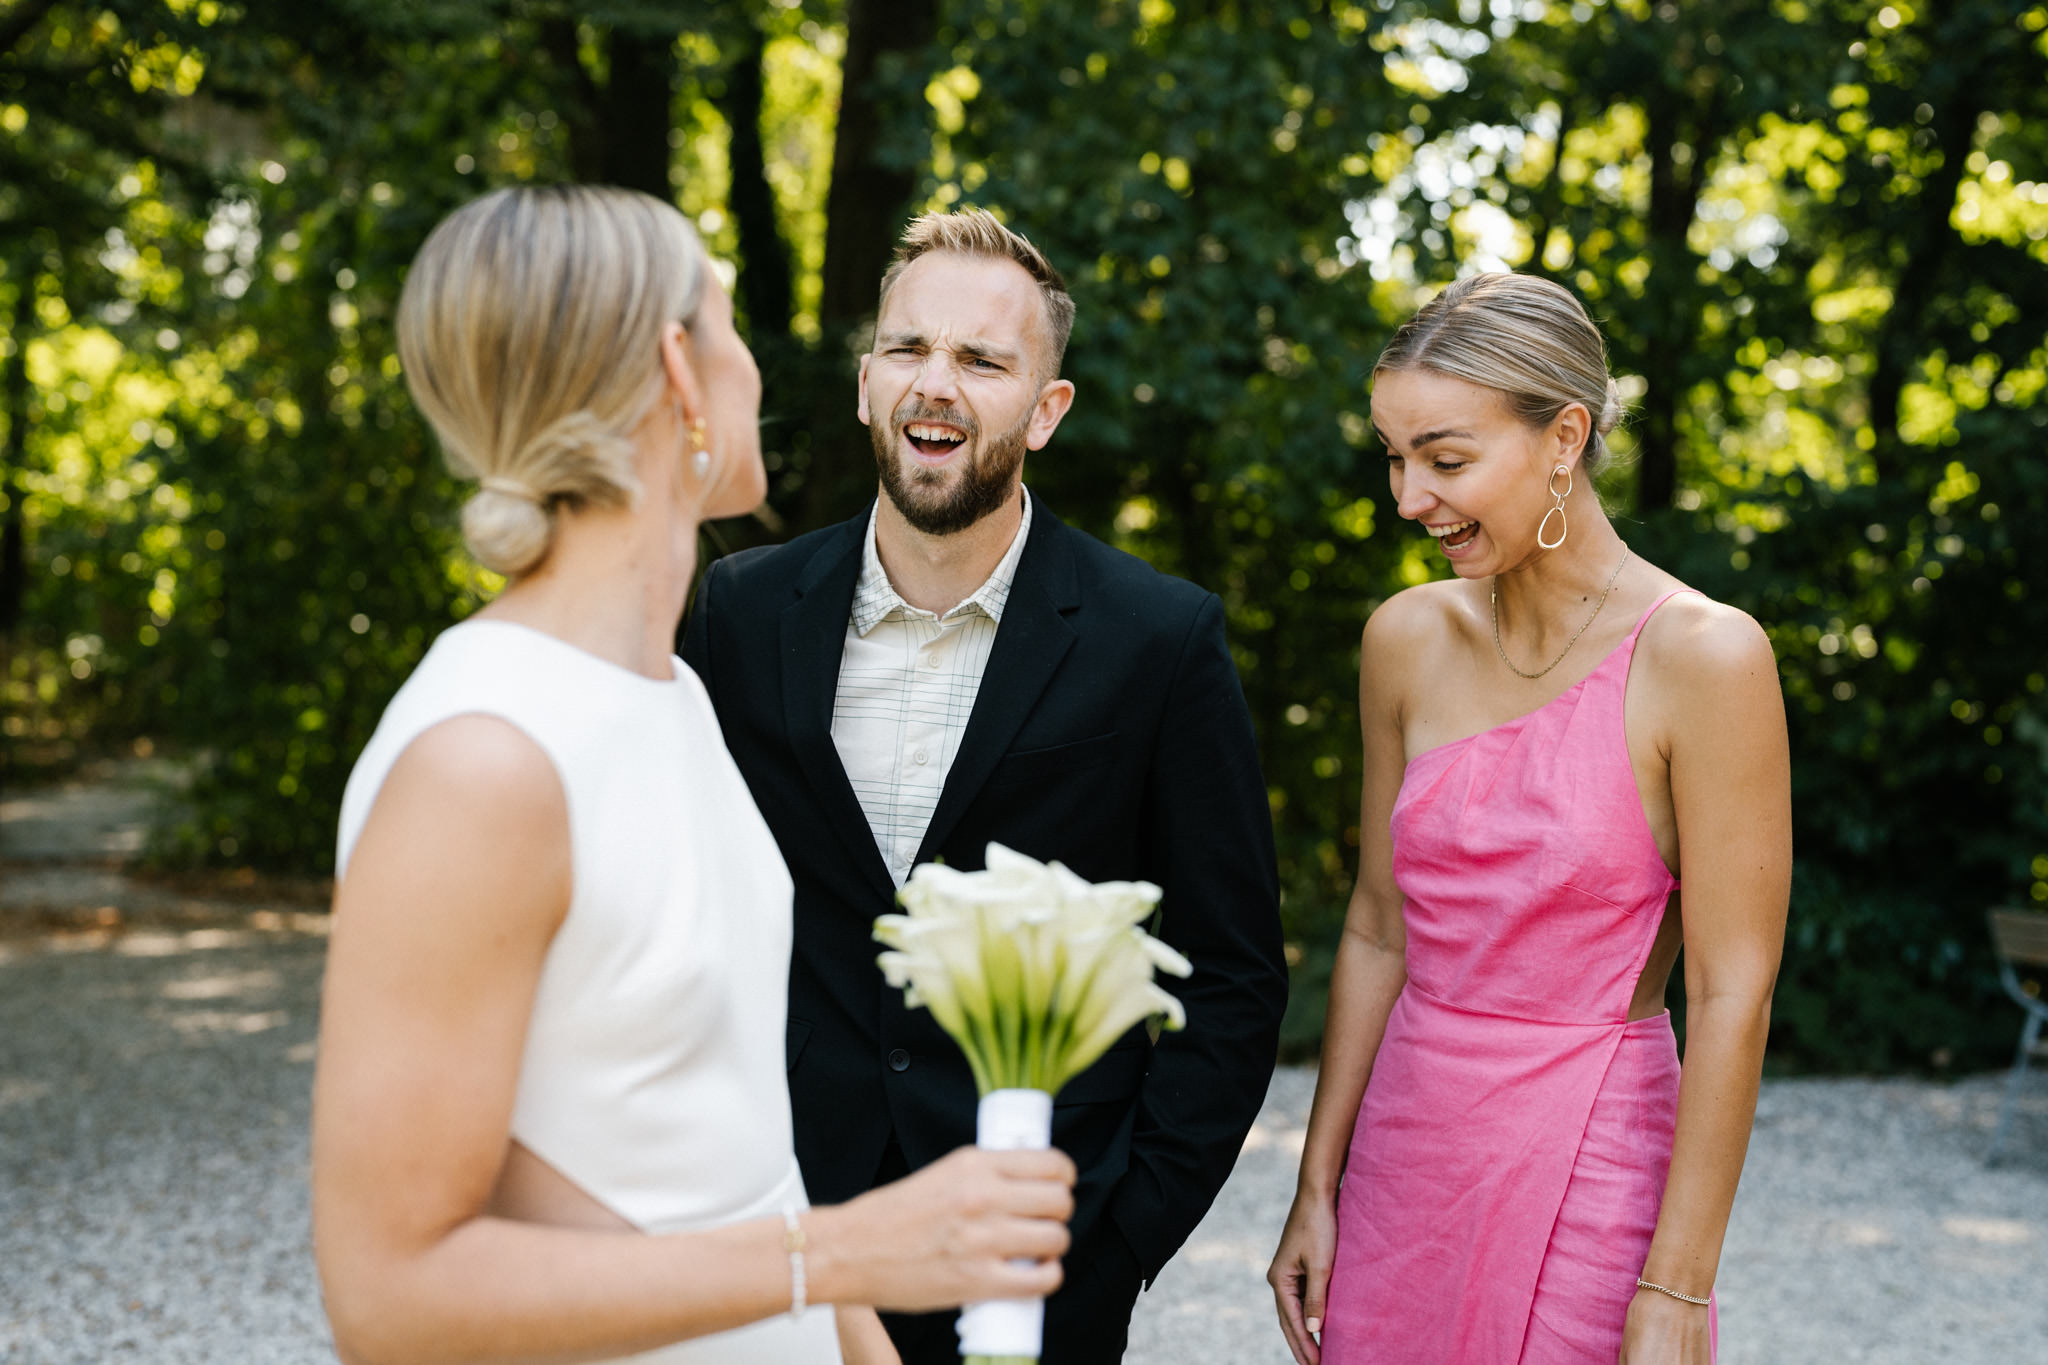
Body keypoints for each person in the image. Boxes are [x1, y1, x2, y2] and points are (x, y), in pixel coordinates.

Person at [311, 185, 1078, 1365]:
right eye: (727, 325)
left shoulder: (672, 700)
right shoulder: (481, 761)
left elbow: (743, 1164)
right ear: (679, 370)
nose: (755, 367)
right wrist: (849, 1250)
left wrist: (851, 1316)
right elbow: (389, 1296)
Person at [682, 207, 1289, 1365]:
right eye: (908, 350)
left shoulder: (1156, 640)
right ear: (865, 384)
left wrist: (1117, 1235)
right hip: (778, 1227)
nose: (935, 385)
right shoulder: (741, 611)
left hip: (1032, 1251)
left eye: (981, 360)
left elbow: (1233, 974)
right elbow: (690, 908)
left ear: (1044, 410)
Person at [1266, 272, 1789, 1365]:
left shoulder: (1703, 657)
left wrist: (1678, 1286)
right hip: (1404, 1156)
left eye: (1446, 460)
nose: (1408, 498)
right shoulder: (1403, 640)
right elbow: (1374, 925)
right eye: (1393, 456)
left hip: (1592, 1161)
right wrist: (1317, 1188)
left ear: (1563, 438)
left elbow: (1730, 990)